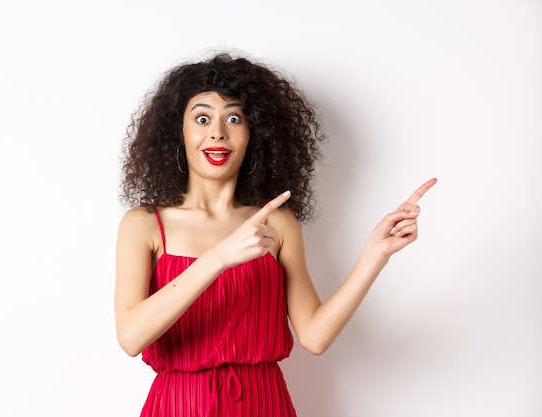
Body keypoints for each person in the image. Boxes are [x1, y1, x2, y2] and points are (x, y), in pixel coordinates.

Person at [114, 52, 437, 417]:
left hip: (263, 404)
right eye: (202, 118)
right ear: (180, 131)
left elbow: (314, 337)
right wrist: (219, 257)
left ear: (254, 134)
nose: (217, 131)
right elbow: (131, 337)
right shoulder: (143, 224)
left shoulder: (277, 223)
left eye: (233, 118)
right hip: (178, 405)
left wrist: (375, 255)